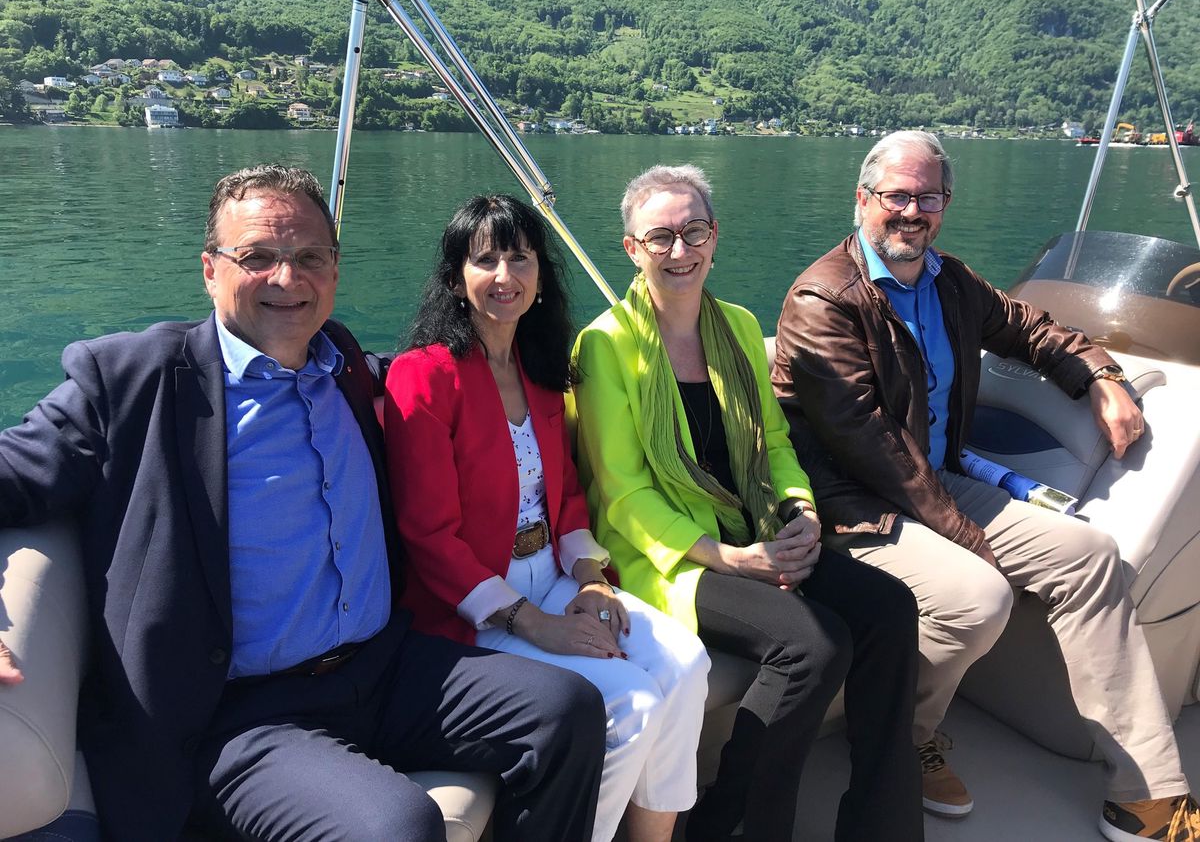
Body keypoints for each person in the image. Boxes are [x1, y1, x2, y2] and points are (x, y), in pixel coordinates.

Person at [0, 165, 606, 842]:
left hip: (383, 668)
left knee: (567, 711)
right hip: (241, 714)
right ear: (210, 269)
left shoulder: (342, 361)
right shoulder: (130, 382)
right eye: (257, 257)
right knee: (396, 827)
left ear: (335, 269)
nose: (287, 280)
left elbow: (437, 389)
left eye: (309, 257)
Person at [771, 130, 1199, 841]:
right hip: (853, 505)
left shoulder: (948, 281)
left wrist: (1101, 376)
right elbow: (874, 450)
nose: (912, 211)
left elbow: (1031, 329)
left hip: (934, 483)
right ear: (863, 200)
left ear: (945, 204)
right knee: (978, 598)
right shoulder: (826, 300)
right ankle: (902, 734)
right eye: (896, 196)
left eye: (928, 197)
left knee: (1091, 558)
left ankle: (1147, 796)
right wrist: (972, 541)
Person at [571, 164, 923, 842]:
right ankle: (731, 824)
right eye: (661, 237)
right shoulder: (605, 345)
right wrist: (731, 558)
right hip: (671, 558)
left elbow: (776, 445)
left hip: (755, 528)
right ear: (632, 250)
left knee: (889, 609)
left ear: (715, 236)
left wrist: (802, 515)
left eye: (694, 231)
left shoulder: (735, 327)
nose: (681, 251)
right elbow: (623, 494)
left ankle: (882, 823)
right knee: (813, 647)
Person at [384, 194, 710, 842]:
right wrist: (537, 626)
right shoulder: (423, 378)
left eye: (519, 258)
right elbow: (429, 535)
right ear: (456, 278)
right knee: (629, 702)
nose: (505, 276)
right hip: (472, 607)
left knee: (687, 663)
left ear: (539, 275)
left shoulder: (540, 375)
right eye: (485, 260)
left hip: (555, 577)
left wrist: (590, 580)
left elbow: (563, 499)